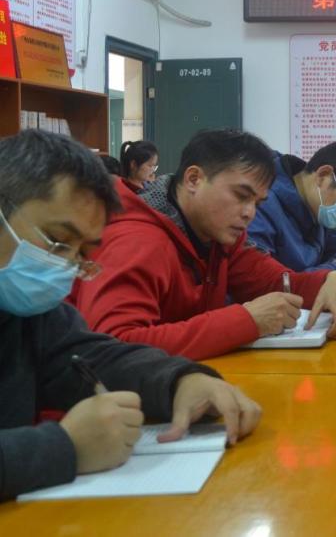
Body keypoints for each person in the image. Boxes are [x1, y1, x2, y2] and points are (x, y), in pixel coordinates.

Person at [0, 130, 260, 501]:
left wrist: (180, 381)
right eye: (58, 241)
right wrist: (64, 447)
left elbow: (94, 357)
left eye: (81, 254)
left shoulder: (32, 313)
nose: (65, 266)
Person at [70, 129, 336, 361]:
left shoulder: (217, 237)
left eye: (257, 203)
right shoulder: (137, 240)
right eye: (241, 196)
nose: (249, 213)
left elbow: (277, 283)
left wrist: (330, 280)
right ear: (194, 179)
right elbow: (113, 347)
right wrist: (245, 321)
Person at [246, 140, 336, 284]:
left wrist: (324, 273)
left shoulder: (321, 209)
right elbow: (264, 283)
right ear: (323, 176)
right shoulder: (261, 205)